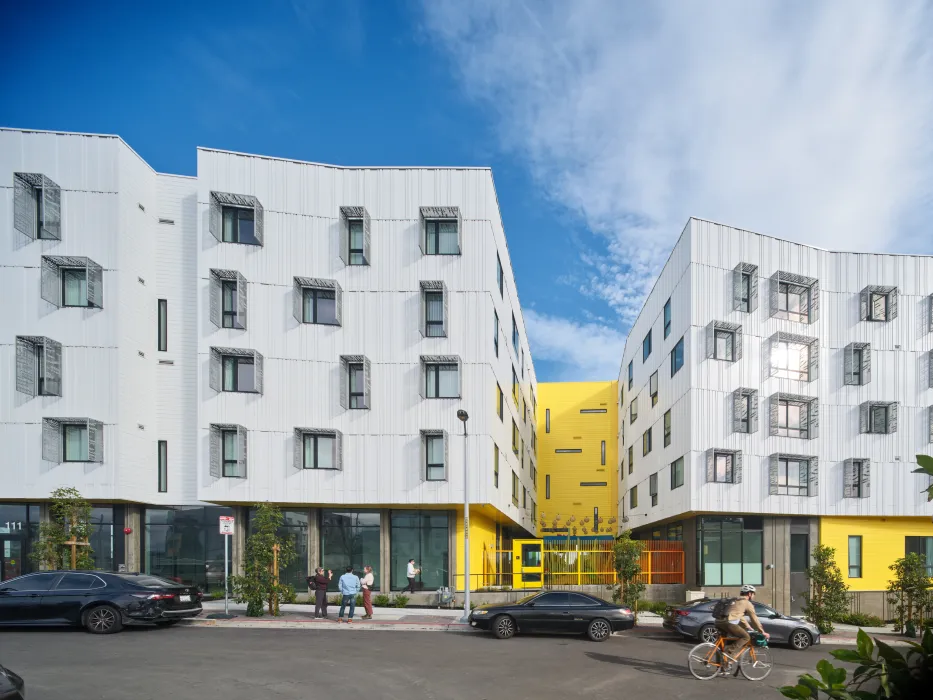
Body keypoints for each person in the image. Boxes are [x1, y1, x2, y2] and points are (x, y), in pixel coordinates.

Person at [713, 585, 770, 672]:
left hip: (718, 622)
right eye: (753, 594)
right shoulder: (747, 603)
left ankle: (721, 668)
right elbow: (754, 618)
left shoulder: (736, 600)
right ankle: (729, 652)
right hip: (728, 623)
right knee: (746, 637)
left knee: (721, 644)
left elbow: (740, 616)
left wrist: (748, 626)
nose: (753, 596)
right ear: (750, 594)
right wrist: (762, 631)